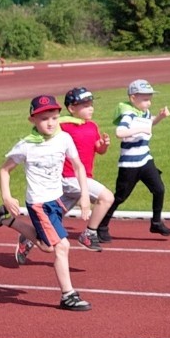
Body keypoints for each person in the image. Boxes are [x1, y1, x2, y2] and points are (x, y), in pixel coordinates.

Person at [0, 94, 94, 311]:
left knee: (46, 246)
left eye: (54, 117)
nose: (50, 122)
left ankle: (5, 220)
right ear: (32, 120)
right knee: (62, 245)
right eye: (43, 118)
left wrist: (85, 197)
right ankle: (68, 295)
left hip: (55, 199)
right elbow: (5, 170)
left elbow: (78, 166)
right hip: (39, 203)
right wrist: (6, 195)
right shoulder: (26, 146)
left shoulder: (64, 138)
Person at [98, 79, 170, 240]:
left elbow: (149, 124)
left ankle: (156, 222)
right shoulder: (128, 114)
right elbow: (120, 132)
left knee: (159, 189)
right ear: (133, 98)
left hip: (145, 159)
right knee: (120, 197)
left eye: (150, 98)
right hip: (130, 164)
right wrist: (141, 128)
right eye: (145, 99)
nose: (149, 102)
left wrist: (160, 117)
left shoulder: (144, 112)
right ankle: (101, 226)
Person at [59, 87, 115, 250]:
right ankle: (89, 233)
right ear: (71, 109)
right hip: (69, 177)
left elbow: (98, 149)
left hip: (83, 179)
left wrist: (103, 145)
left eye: (91, 104)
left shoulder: (92, 126)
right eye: (85, 105)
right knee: (106, 197)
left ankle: (28, 237)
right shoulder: (63, 126)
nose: (90, 108)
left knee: (51, 219)